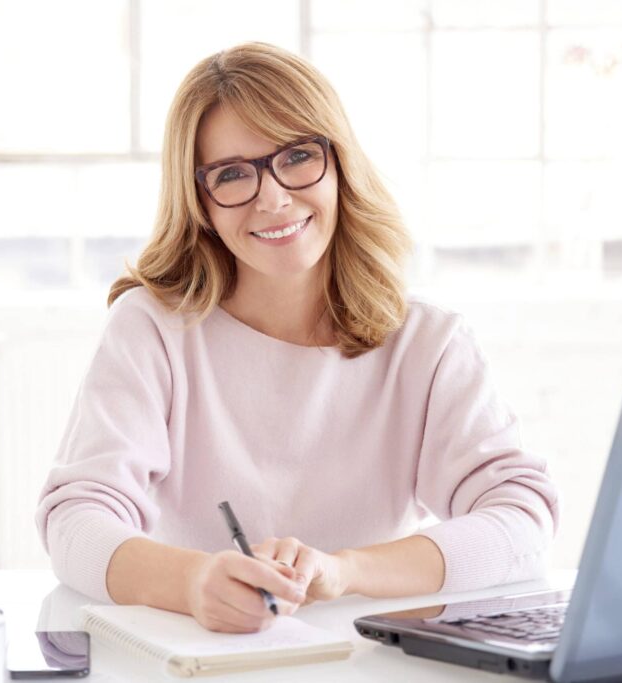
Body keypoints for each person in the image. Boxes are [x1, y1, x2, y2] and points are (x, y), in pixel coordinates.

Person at [36, 42, 558, 634]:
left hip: (374, 663)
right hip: (199, 657)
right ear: (199, 201)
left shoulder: (428, 343)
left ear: (339, 165)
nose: (273, 197)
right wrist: (190, 582)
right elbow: (75, 522)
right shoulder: (152, 328)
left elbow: (521, 520)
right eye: (232, 174)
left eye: (298, 156)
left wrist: (345, 571)